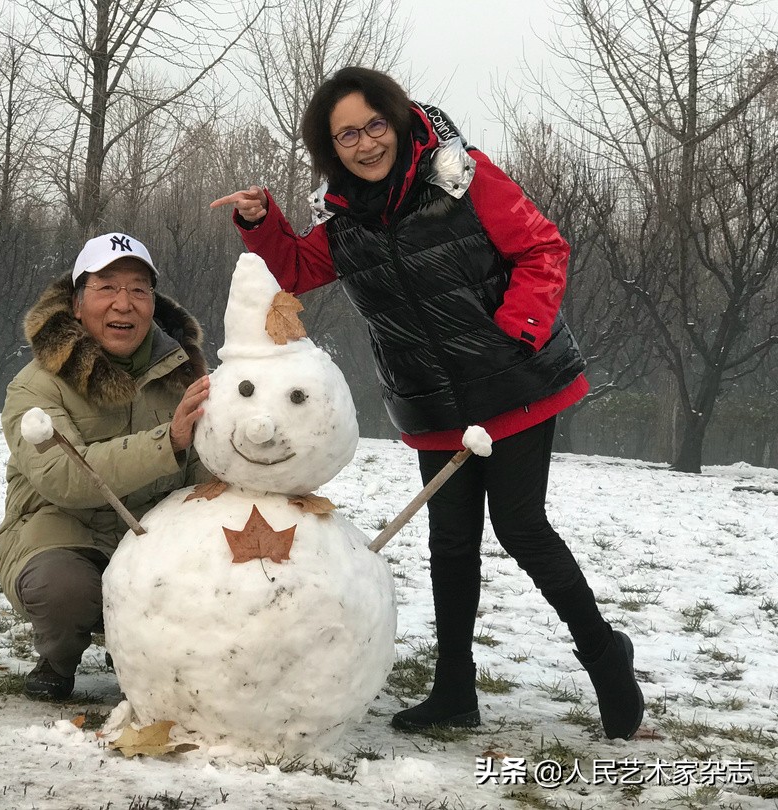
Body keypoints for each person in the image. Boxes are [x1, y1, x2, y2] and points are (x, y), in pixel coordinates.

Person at [210, 67, 644, 740]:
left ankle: (605, 656)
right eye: (346, 134)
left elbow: (543, 248)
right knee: (450, 543)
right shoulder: (344, 219)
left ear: (399, 119)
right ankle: (454, 689)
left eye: (375, 124)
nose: (365, 143)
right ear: (331, 149)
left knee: (521, 526)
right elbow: (297, 270)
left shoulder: (462, 177)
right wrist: (261, 220)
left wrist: (517, 331)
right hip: (434, 402)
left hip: (516, 383)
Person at [0, 232, 210, 700]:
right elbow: (66, 479)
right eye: (106, 287)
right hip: (60, 531)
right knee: (65, 589)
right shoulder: (34, 386)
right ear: (76, 303)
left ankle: (140, 649)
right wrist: (167, 440)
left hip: (152, 536)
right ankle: (57, 657)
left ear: (154, 303)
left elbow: (206, 471)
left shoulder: (188, 375)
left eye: (138, 289)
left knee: (211, 577)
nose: (123, 304)